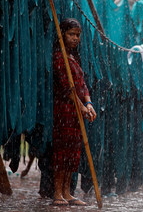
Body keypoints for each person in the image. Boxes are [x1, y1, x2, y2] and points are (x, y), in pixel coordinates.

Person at [52, 18, 97, 206]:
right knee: (62, 151)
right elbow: (67, 89)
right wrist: (81, 107)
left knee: (73, 152)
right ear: (63, 34)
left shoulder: (74, 58)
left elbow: (82, 85)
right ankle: (57, 193)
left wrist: (89, 104)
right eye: (71, 34)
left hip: (77, 112)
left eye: (77, 35)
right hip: (64, 111)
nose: (75, 38)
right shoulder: (59, 57)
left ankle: (67, 192)